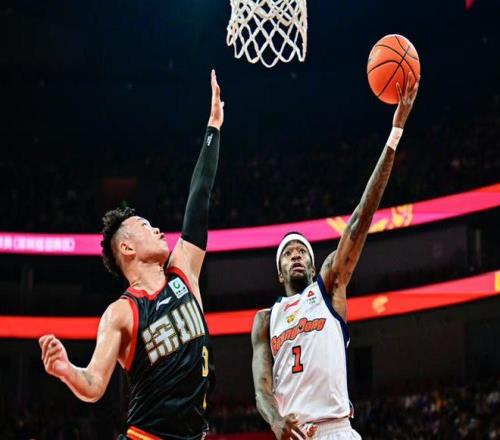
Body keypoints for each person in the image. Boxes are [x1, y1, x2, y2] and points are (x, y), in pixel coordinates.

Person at [39, 70, 224, 440]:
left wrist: (213, 129)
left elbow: (199, 198)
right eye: (145, 226)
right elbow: (94, 383)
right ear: (127, 248)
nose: (158, 230)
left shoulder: (183, 270)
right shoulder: (121, 312)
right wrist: (66, 369)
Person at [251, 75, 420, 440]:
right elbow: (262, 388)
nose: (296, 255)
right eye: (288, 253)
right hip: (294, 434)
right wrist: (275, 420)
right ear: (279, 272)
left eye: (302, 251)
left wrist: (395, 133)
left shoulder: (328, 287)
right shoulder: (266, 319)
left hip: (336, 430)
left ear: (314, 265)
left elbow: (360, 219)